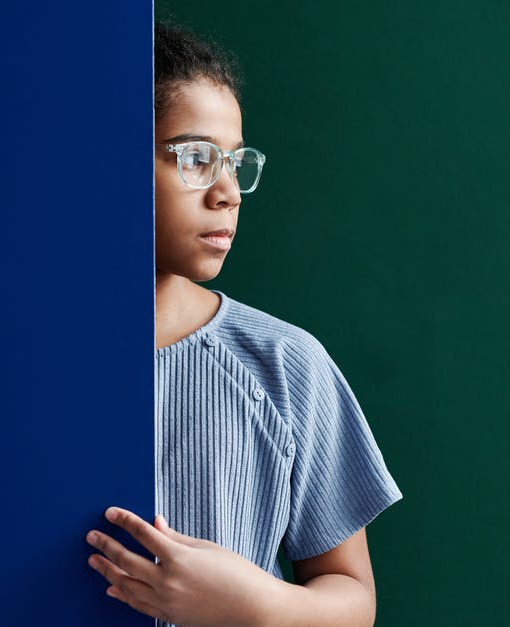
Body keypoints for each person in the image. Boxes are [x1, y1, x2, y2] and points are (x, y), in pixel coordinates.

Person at [85, 21, 402, 626]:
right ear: (114, 156)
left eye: (234, 162)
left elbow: (354, 600)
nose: (228, 191)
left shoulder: (285, 364)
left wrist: (255, 604)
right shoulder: (16, 362)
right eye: (197, 158)